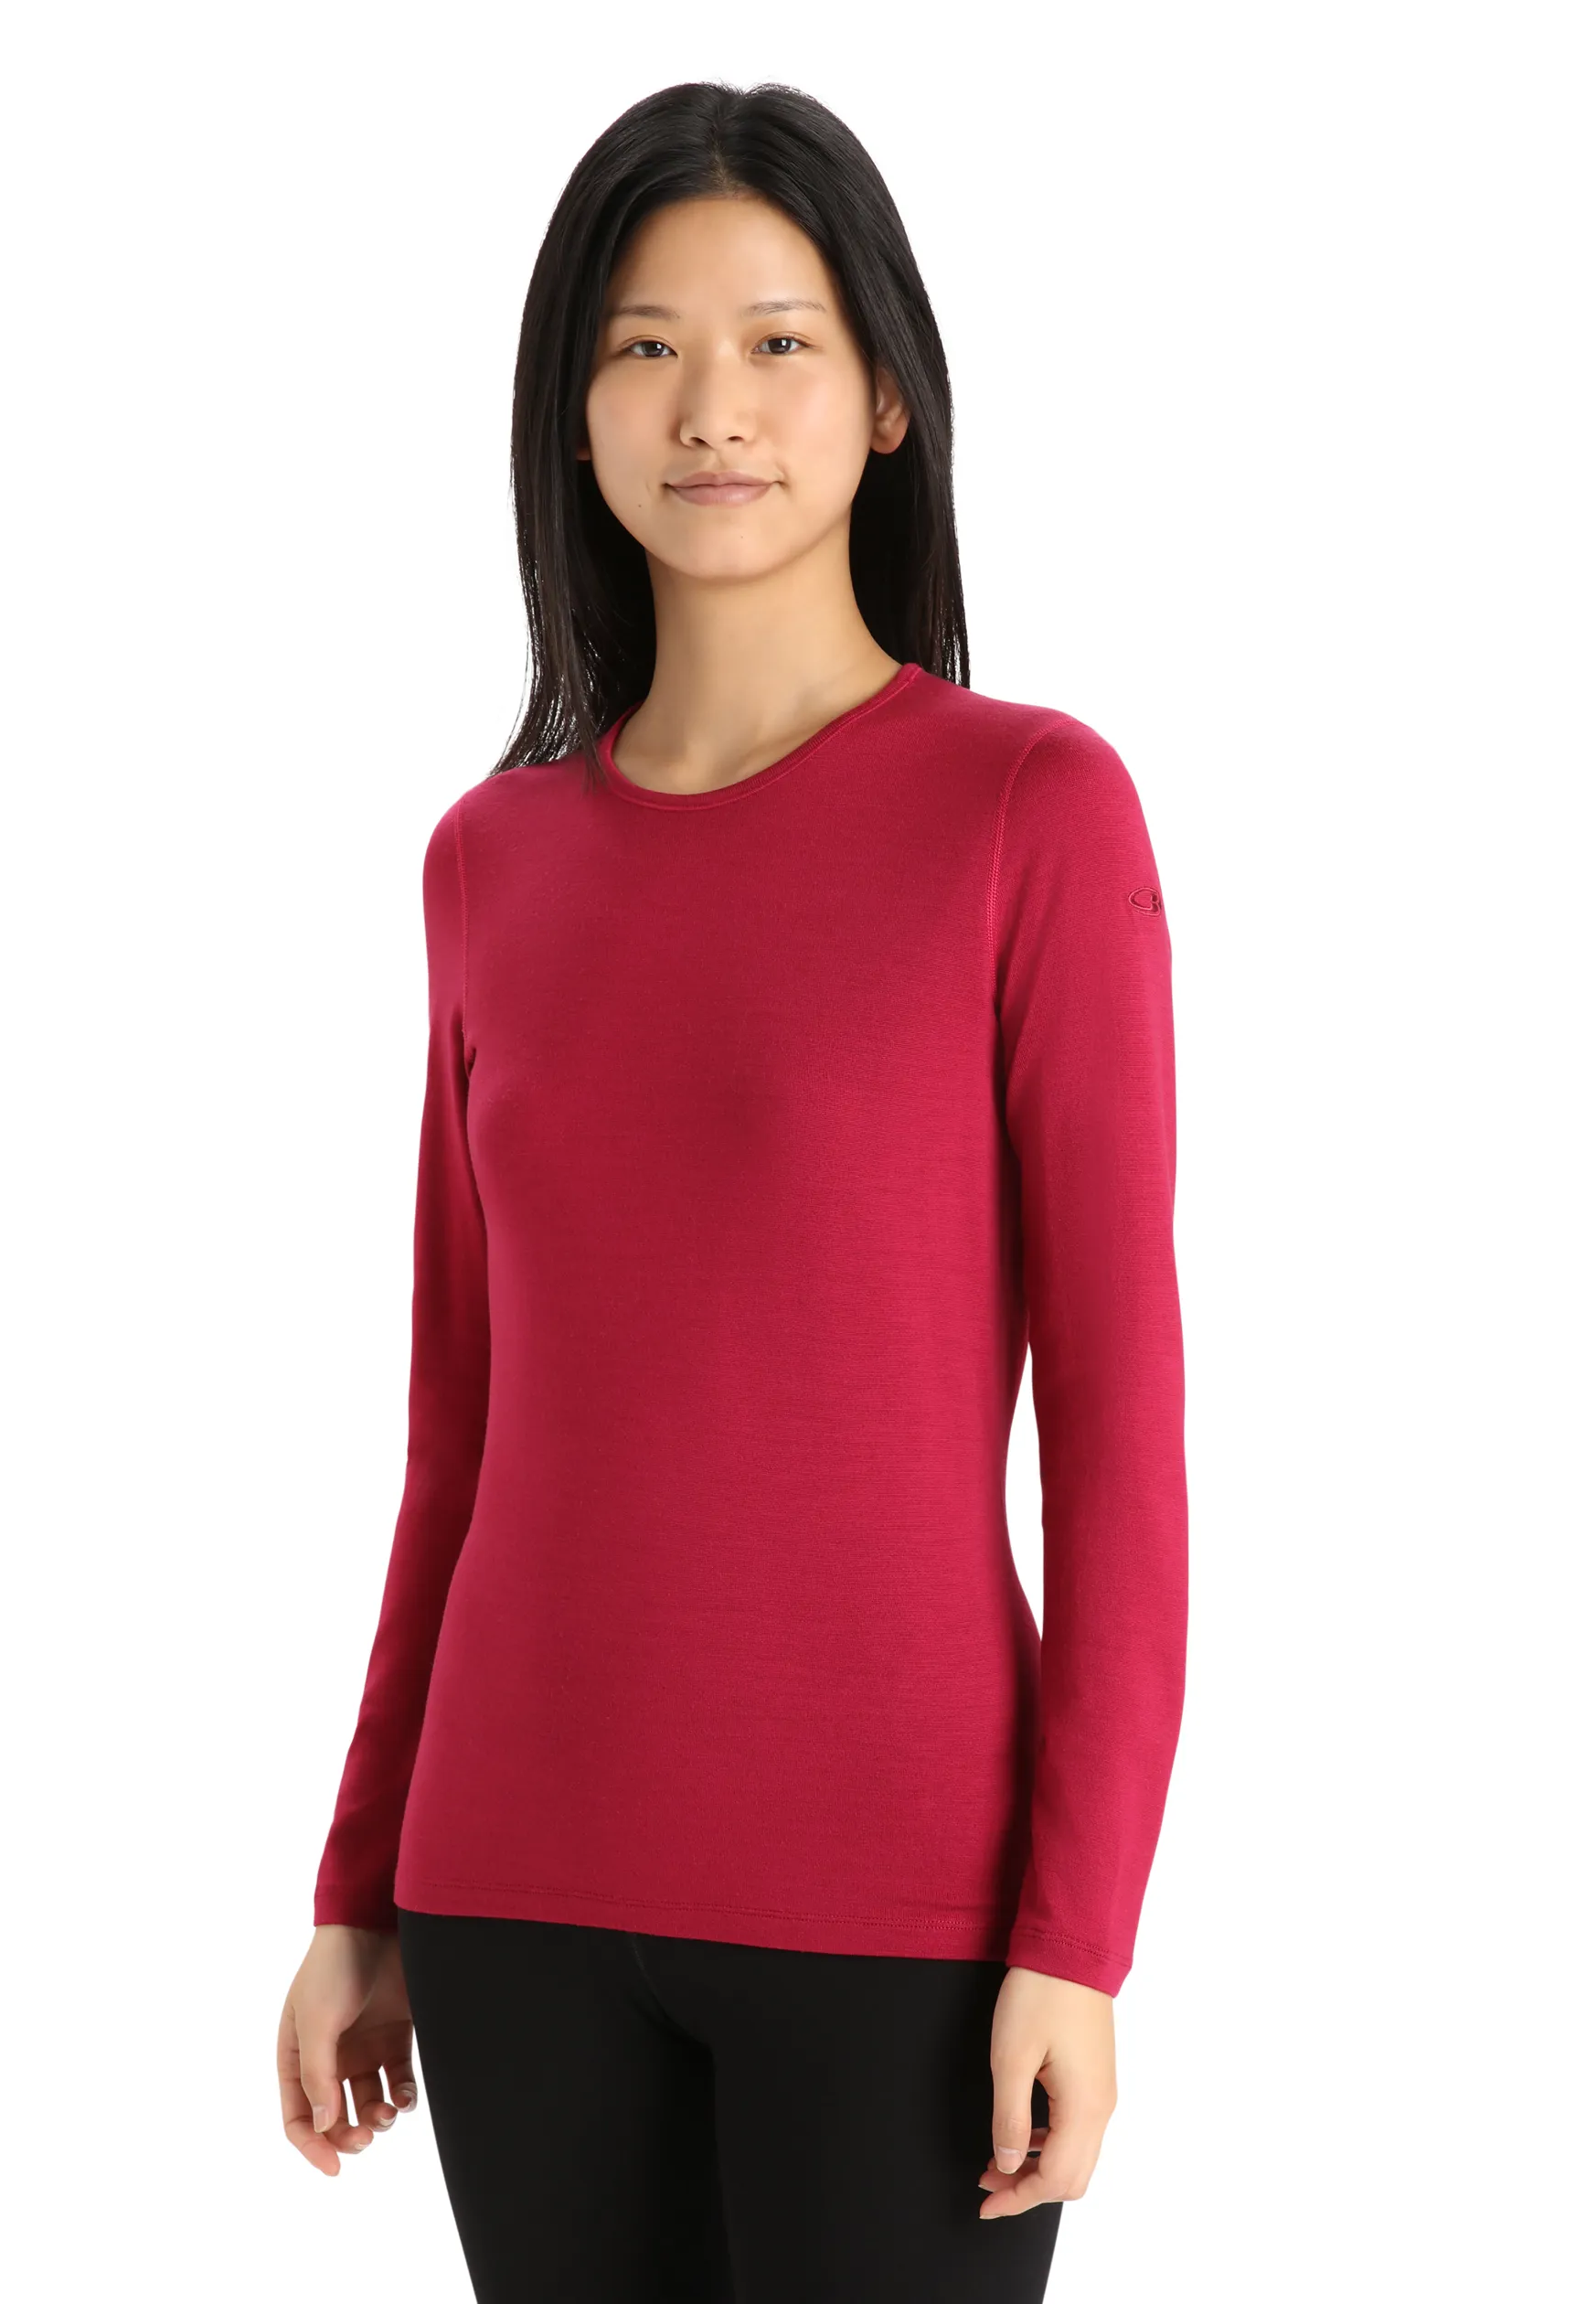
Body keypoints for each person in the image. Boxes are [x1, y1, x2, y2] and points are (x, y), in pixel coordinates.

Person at [276, 79, 1187, 2304]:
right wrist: (357, 1883)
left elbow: (1121, 1435)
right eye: (643, 346)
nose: (711, 406)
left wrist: (1080, 1934)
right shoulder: (489, 862)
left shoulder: (1030, 811)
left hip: (902, 1912)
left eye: (779, 342)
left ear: (887, 397)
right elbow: (460, 1433)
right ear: (572, 410)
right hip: (510, 1892)